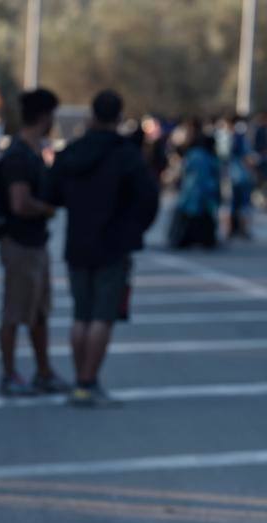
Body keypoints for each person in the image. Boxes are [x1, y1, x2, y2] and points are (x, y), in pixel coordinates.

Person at [48, 90, 159, 407]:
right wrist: (135, 228)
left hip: (78, 241)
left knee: (81, 315)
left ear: (92, 115)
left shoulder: (72, 151)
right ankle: (87, 382)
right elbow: (148, 197)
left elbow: (51, 191)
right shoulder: (127, 153)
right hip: (114, 244)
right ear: (119, 117)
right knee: (103, 316)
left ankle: (79, 382)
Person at [0, 88, 69, 396]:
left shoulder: (32, 149)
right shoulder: (19, 155)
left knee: (38, 312)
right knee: (15, 312)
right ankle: (10, 375)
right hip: (20, 243)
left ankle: (43, 371)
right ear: (43, 116)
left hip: (34, 243)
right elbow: (19, 203)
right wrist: (49, 208)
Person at [169, 121, 221, 249]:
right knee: (202, 218)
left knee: (189, 218)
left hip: (192, 190)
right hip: (200, 191)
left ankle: (185, 240)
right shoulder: (206, 156)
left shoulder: (195, 154)